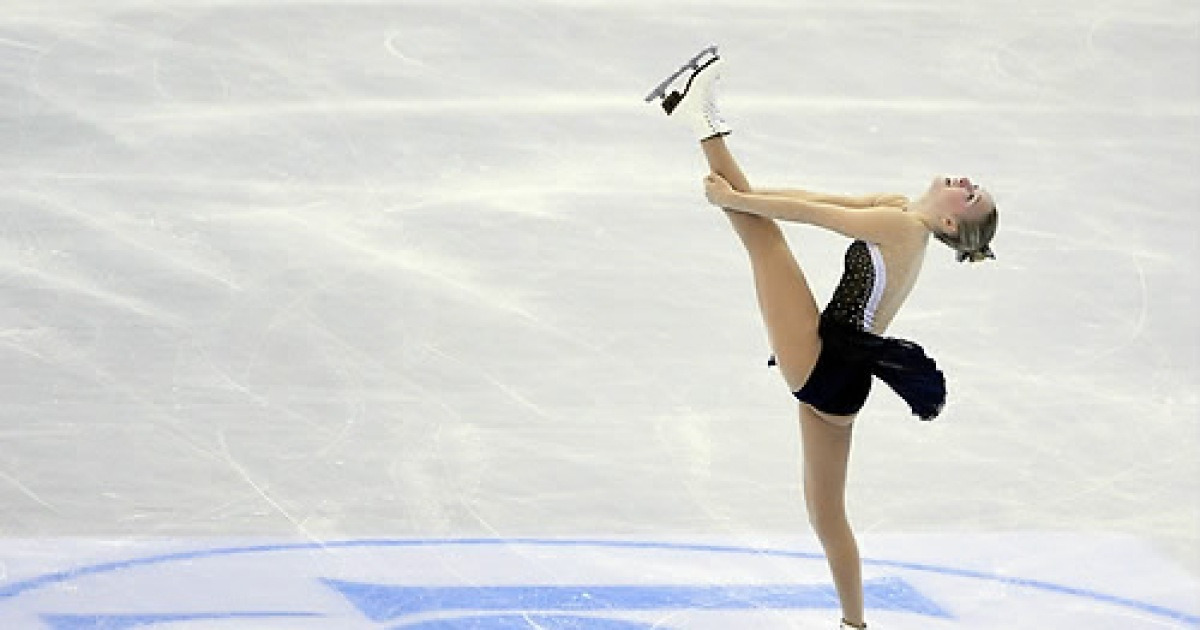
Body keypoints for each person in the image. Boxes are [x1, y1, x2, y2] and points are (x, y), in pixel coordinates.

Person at [646, 47, 999, 630]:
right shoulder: (896, 208)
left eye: (970, 196)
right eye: (973, 184)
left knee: (766, 242)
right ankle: (854, 626)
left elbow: (804, 221)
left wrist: (736, 200)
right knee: (826, 513)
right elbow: (816, 201)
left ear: (950, 224)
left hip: (827, 362)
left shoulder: (902, 227)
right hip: (841, 378)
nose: (966, 183)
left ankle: (701, 116)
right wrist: (743, 197)